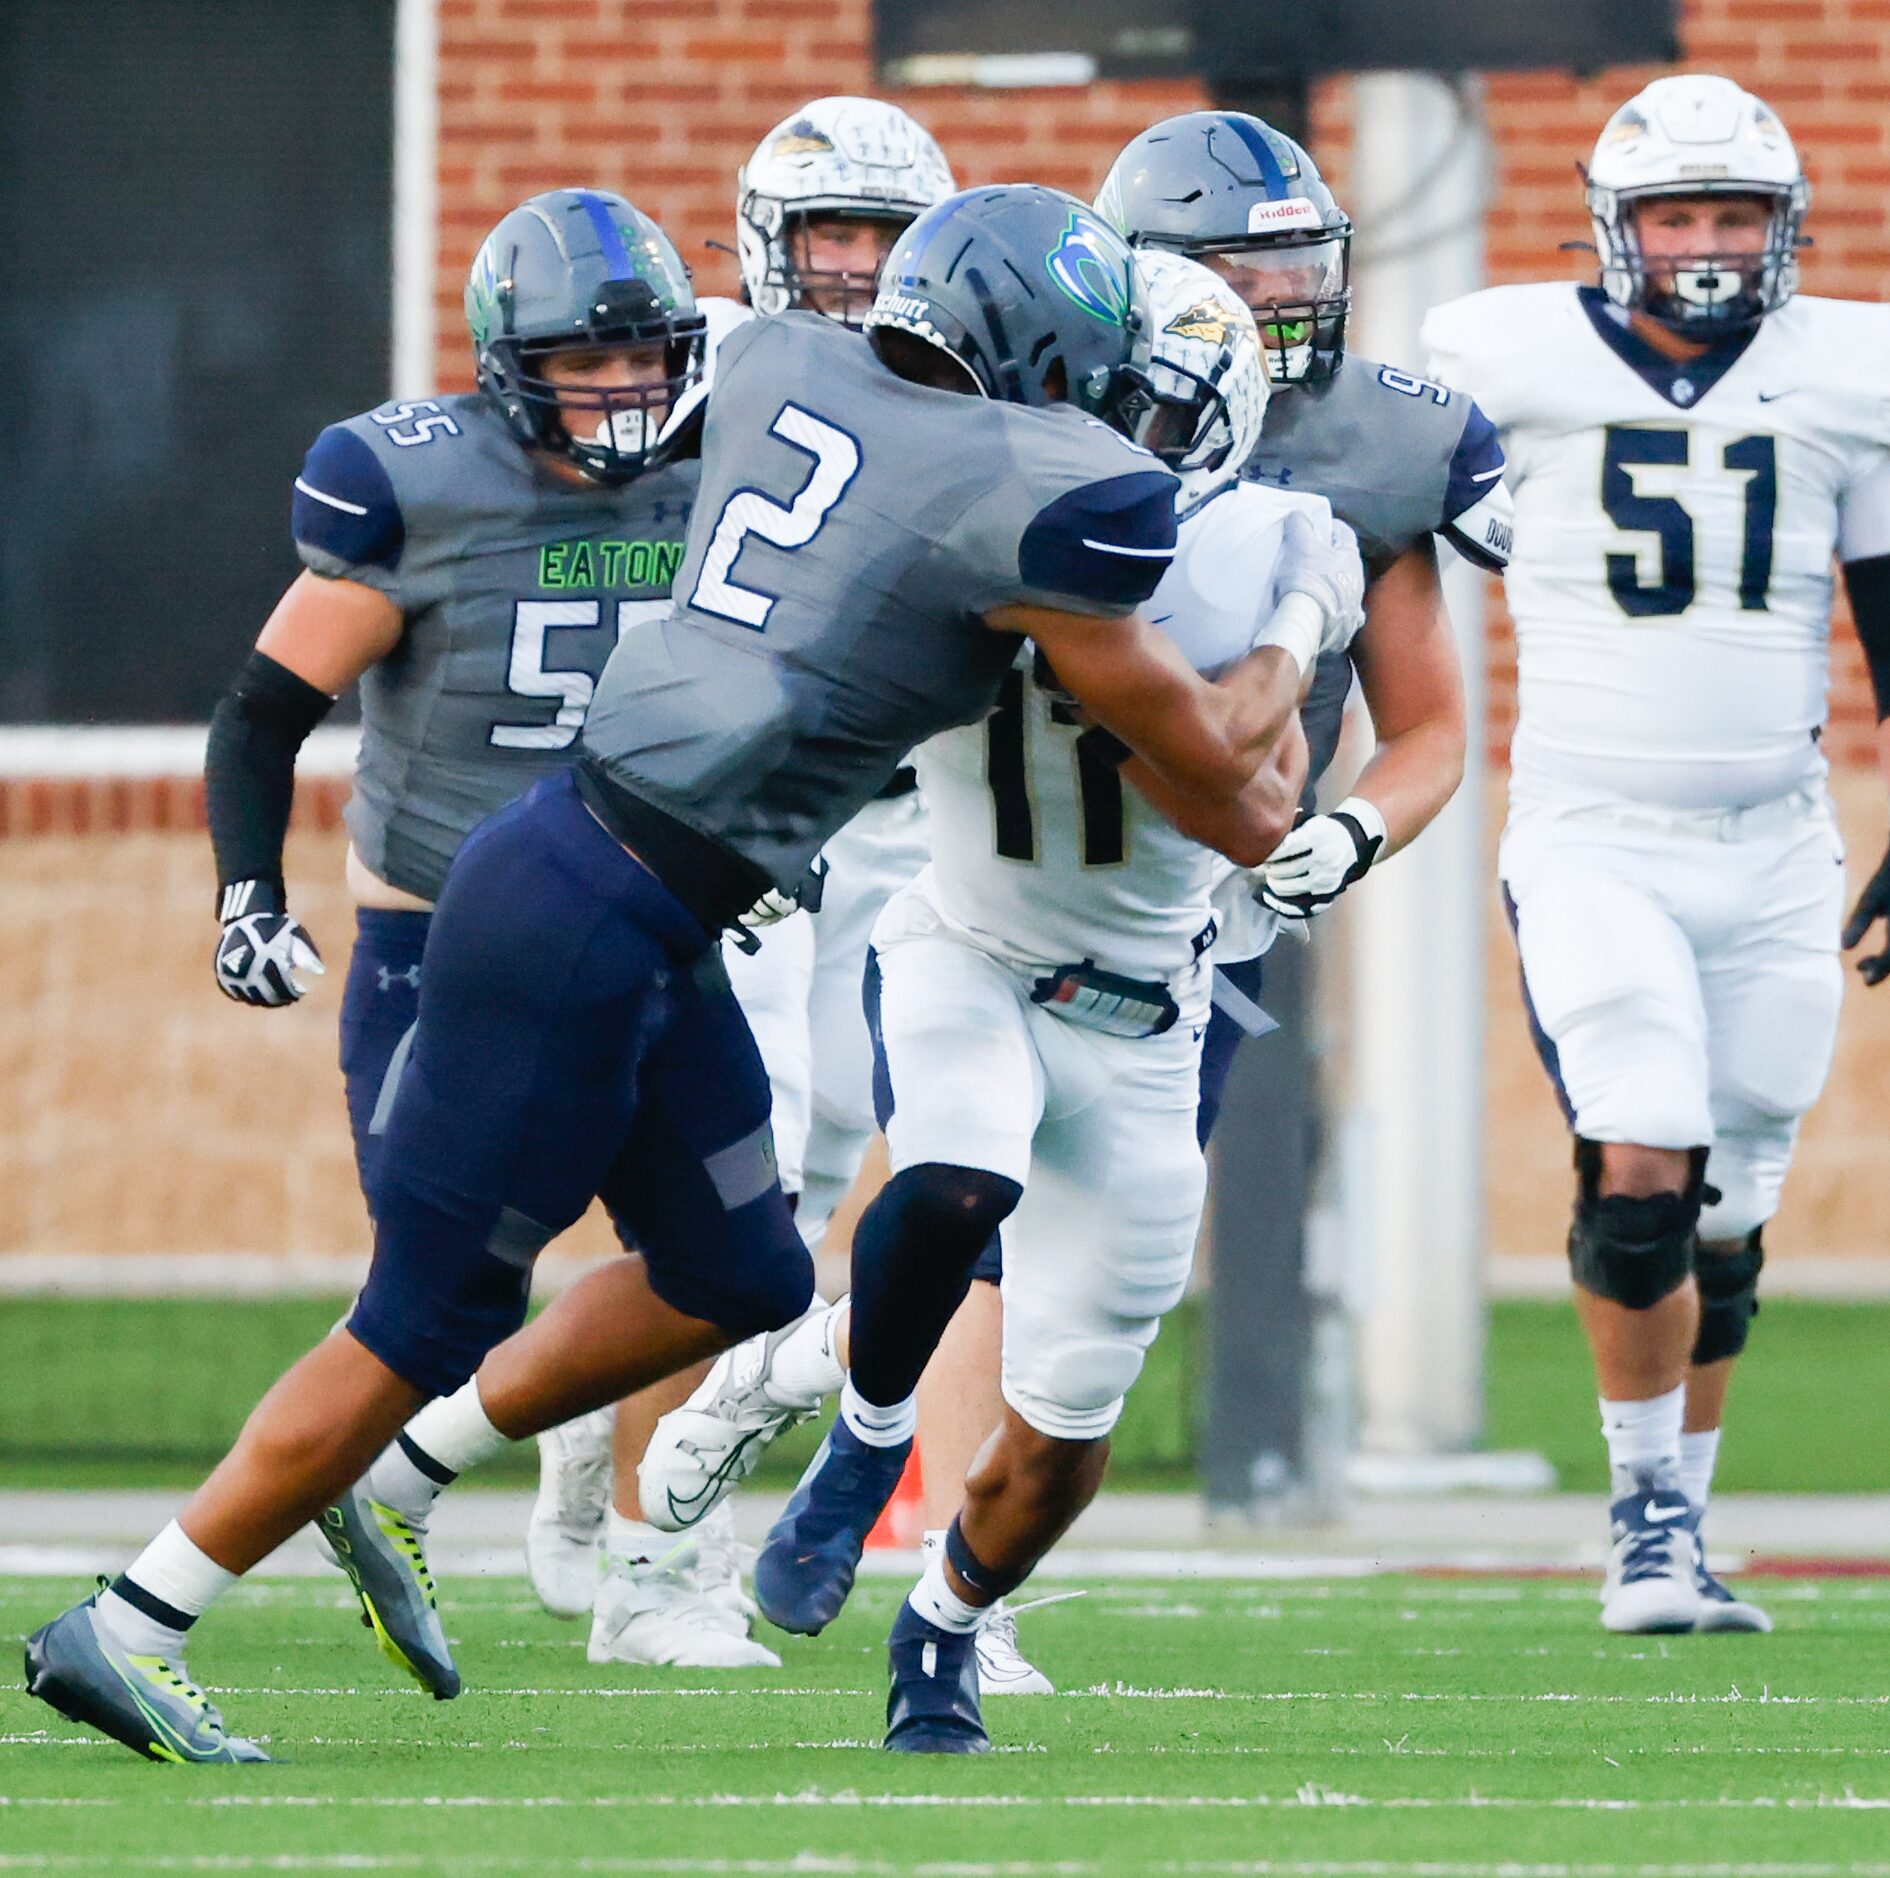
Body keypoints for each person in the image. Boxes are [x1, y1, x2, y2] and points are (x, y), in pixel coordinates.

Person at [20, 184, 1316, 1765]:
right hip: (576, 907)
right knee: (425, 1309)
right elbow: (1238, 800)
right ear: (1044, 350)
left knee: (747, 1272)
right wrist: (1300, 623)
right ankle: (136, 1615)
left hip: (643, 898)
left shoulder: (780, 357)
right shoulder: (1039, 485)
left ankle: (398, 1466)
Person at [632, 106, 1503, 1694]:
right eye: (1224, 273)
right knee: (961, 1196)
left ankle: (874, 1467)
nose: (1264, 303)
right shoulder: (995, 489)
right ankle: (886, 1498)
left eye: (1286, 265)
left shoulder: (1326, 494)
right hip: (976, 907)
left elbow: (1391, 742)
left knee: (1076, 1347)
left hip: (1179, 948)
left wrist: (1351, 817)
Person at [767, 257, 1355, 1753]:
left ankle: (945, 1628)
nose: (1123, 432)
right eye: (1108, 398)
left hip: (1149, 1013)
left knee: (1066, 1444)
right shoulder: (980, 518)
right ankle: (865, 1442)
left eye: (1157, 407)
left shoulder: (1257, 543)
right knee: (959, 1175)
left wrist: (1284, 630)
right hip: (968, 941)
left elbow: (1258, 812)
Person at [1424, 73, 1890, 1635]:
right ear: (1621, 228)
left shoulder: (1845, 373)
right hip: (1594, 826)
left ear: (1782, 226)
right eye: (1680, 213)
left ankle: (1682, 1526)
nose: (1710, 243)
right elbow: (1385, 528)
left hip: (1777, 842)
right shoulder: (1497, 356)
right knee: (1643, 1151)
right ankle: (1641, 1523)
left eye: (1737, 212)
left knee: (1728, 1220)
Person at [522, 93, 965, 1675]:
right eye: (830, 233)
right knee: (751, 1189)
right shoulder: (700, 354)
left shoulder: (970, 359)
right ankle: (662, 1566)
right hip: (757, 816)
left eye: (883, 235)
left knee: (843, 1152)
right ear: (773, 243)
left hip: (914, 819)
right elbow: (573, 528)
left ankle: (590, 1431)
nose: (855, 268)